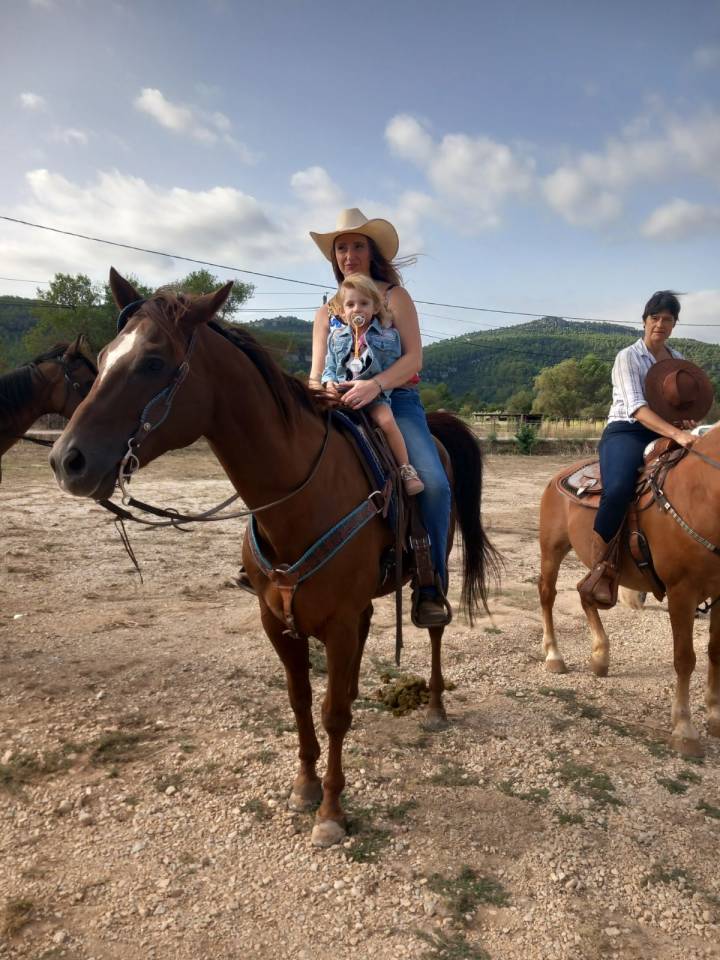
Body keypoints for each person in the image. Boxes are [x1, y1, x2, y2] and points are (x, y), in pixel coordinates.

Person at [309, 208, 452, 626]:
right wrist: (323, 388)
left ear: (371, 253)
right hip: (338, 401)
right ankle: (267, 558)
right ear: (334, 257)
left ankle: (430, 584)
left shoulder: (394, 298)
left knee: (436, 485)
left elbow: (414, 358)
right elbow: (316, 371)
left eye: (357, 245)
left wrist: (375, 385)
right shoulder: (327, 312)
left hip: (397, 401)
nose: (349, 254)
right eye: (341, 247)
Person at [579, 290, 698, 608]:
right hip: (627, 431)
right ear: (645, 321)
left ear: (674, 325)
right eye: (655, 318)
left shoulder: (679, 360)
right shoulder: (628, 357)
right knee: (617, 489)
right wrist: (676, 433)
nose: (660, 324)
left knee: (696, 478)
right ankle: (601, 570)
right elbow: (636, 408)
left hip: (667, 431)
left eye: (667, 319)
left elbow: (681, 404)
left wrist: (685, 421)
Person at [322, 273, 425, 496]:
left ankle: (406, 469)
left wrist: (374, 386)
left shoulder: (389, 337)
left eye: (364, 303)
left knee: (387, 421)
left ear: (375, 307)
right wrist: (328, 382)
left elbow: (391, 369)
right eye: (350, 304)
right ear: (342, 310)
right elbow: (329, 366)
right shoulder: (336, 337)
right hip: (341, 395)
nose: (357, 309)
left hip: (374, 396)